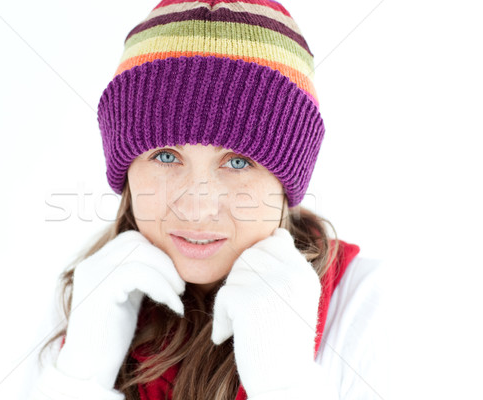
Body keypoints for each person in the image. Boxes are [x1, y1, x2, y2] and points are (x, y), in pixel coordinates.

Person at [28, 0, 388, 399]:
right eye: (166, 156)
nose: (197, 208)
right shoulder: (88, 296)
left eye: (237, 161)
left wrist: (285, 386)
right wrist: (80, 379)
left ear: (287, 179)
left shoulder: (366, 304)